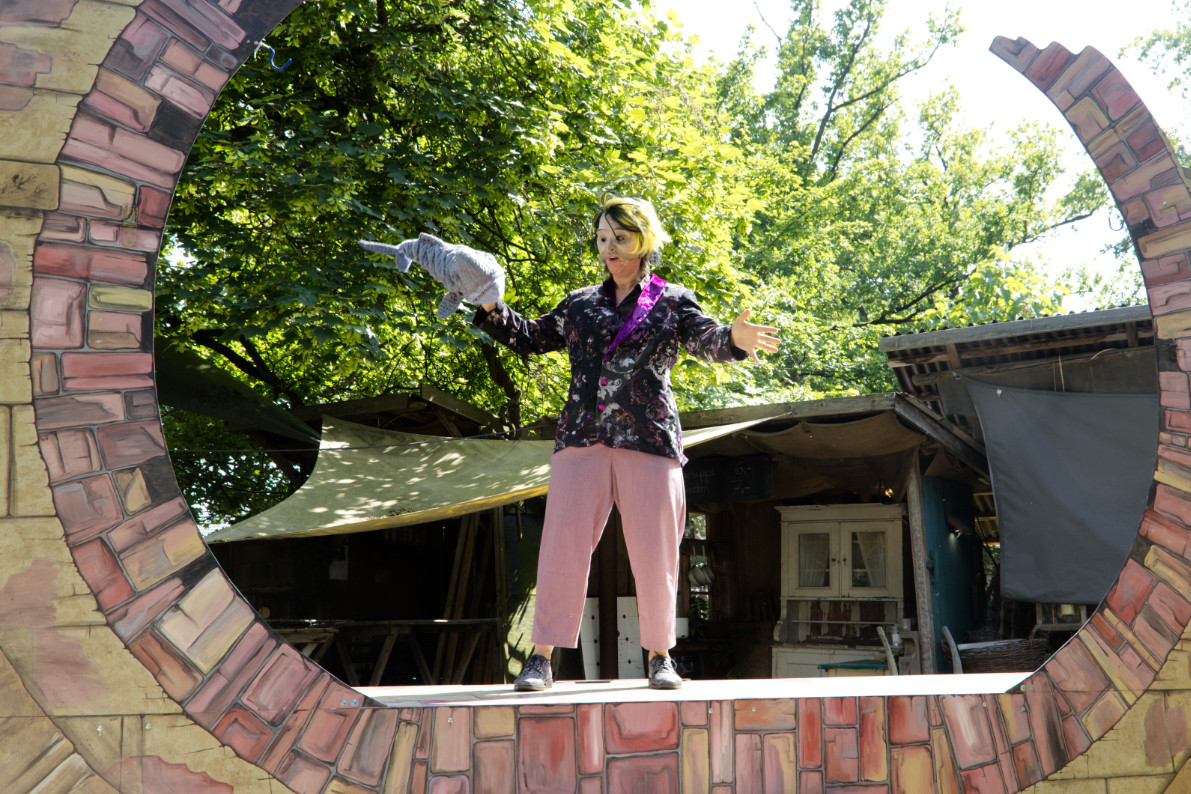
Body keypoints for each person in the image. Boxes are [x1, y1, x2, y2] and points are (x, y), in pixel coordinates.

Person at [474, 193, 778, 690]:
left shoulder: (672, 300)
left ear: (644, 240)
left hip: (649, 438)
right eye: (602, 238)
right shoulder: (578, 303)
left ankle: (660, 656)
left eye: (619, 237)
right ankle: (541, 658)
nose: (609, 247)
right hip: (581, 437)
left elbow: (706, 340)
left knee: (657, 553)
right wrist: (489, 302)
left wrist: (734, 340)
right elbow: (530, 337)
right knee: (561, 547)